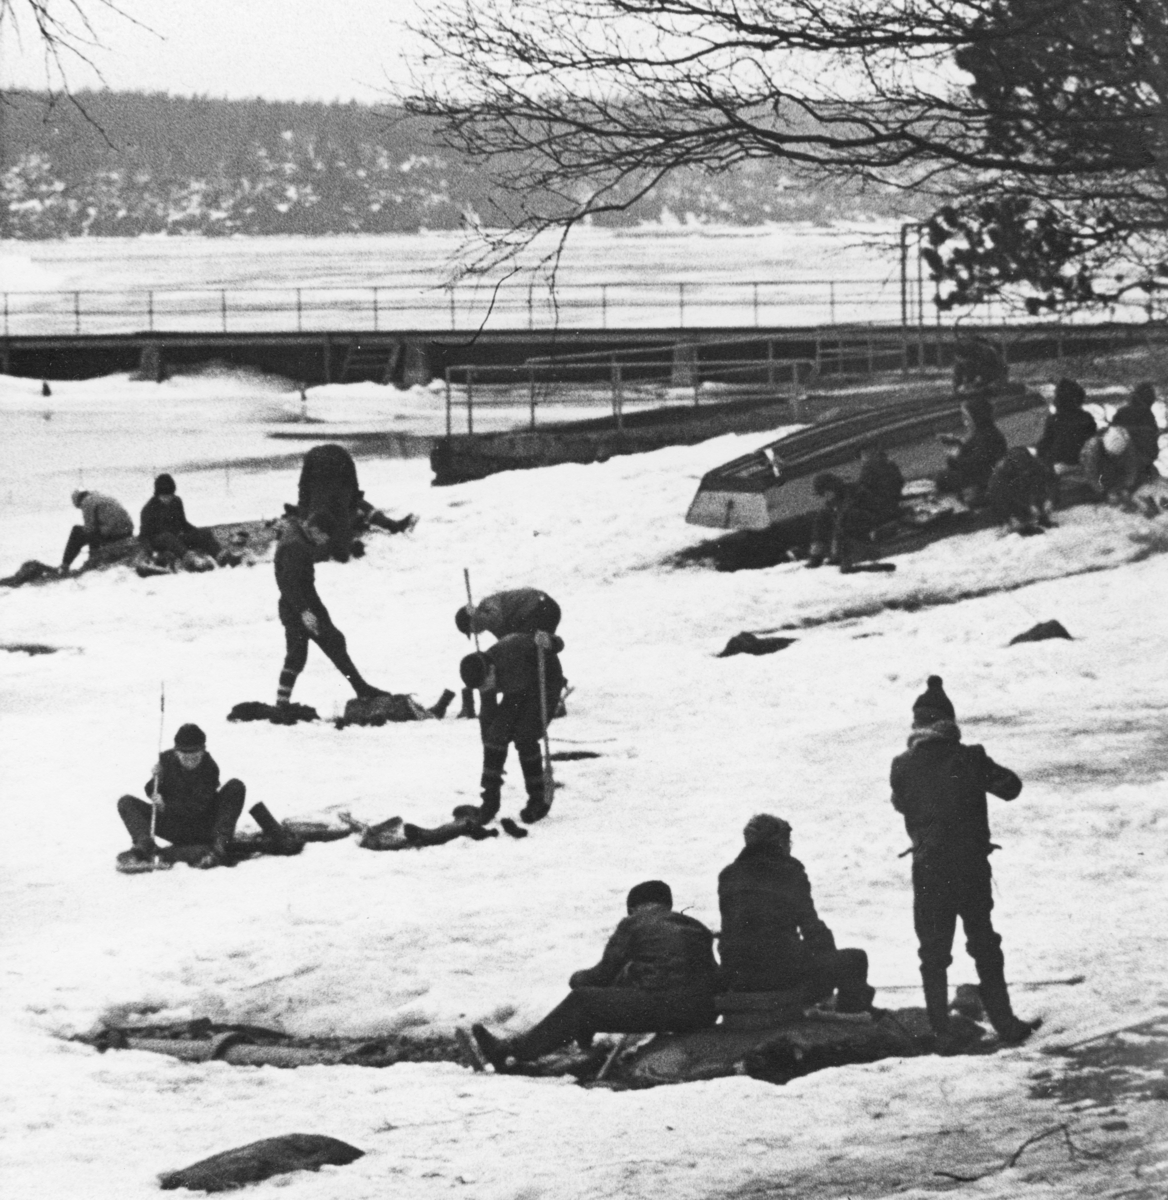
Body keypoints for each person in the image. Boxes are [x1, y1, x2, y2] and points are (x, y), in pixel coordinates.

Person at [889, 675, 1039, 1051]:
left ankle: (940, 1031)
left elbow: (902, 804)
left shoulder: (901, 765)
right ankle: (1005, 1023)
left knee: (933, 952)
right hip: (969, 866)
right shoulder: (969, 758)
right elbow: (1011, 788)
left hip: (928, 868)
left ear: (916, 725)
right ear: (949, 723)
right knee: (984, 944)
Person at [471, 880, 718, 1070]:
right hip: (701, 1012)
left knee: (582, 1000)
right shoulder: (697, 927)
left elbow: (602, 976)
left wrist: (578, 980)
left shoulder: (634, 923)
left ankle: (511, 1053)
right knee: (601, 999)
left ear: (633, 907)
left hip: (665, 1007)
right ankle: (582, 1049)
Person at [718, 815, 876, 1012]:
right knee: (856, 958)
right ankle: (850, 1019)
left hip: (737, 974)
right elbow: (812, 929)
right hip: (780, 972)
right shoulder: (790, 872)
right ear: (780, 843)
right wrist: (829, 959)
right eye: (788, 842)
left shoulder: (728, 875)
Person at [275, 510, 387, 707]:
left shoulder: (298, 536)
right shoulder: (295, 546)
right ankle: (282, 705)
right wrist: (305, 612)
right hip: (298, 607)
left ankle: (361, 688)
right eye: (325, 536)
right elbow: (290, 584)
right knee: (304, 652)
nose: (325, 541)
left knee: (325, 644)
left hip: (299, 604)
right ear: (315, 530)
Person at [458, 631, 564, 824]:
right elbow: (488, 724)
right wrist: (491, 750)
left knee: (525, 736)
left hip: (545, 682)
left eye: (485, 684)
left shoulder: (515, 647)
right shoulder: (483, 675)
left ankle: (538, 798)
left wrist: (549, 642)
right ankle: (490, 802)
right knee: (496, 735)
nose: (485, 688)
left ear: (491, 669)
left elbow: (558, 643)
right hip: (516, 690)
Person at [116, 723, 245, 870]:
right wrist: (157, 778)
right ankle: (145, 846)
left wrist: (166, 807)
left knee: (235, 786)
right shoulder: (166, 760)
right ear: (176, 752)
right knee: (126, 802)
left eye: (195, 758)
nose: (190, 762)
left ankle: (220, 846)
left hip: (202, 827)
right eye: (185, 757)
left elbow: (197, 807)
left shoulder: (210, 768)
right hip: (174, 827)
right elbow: (151, 790)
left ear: (203, 751)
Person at [806, 457, 901, 570]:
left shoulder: (856, 494)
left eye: (824, 493)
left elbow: (876, 512)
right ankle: (828, 556)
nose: (824, 497)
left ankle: (854, 555)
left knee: (848, 518)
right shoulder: (830, 505)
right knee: (825, 519)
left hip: (873, 530)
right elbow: (819, 530)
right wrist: (816, 555)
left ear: (832, 489)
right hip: (852, 544)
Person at [1080, 381, 1163, 503]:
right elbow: (1153, 451)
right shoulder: (1148, 416)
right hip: (1135, 462)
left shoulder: (1122, 412)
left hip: (1119, 459)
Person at [934, 394, 1009, 504]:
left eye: (967, 418)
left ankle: (970, 494)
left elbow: (972, 464)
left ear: (976, 418)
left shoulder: (988, 436)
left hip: (984, 479)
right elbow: (972, 449)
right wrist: (956, 442)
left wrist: (954, 457)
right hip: (981, 474)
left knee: (942, 477)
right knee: (944, 475)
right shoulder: (985, 431)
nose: (965, 422)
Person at [138, 473, 223, 568]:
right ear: (158, 495)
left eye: (170, 495)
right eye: (164, 496)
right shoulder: (149, 509)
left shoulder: (176, 502)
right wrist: (151, 553)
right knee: (168, 537)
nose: (168, 499)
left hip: (176, 540)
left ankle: (221, 556)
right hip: (160, 543)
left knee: (204, 533)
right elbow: (143, 536)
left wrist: (197, 533)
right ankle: (192, 560)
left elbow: (183, 523)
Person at [60, 488, 134, 572]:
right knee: (94, 530)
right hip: (127, 531)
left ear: (77, 501)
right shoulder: (99, 497)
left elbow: (90, 528)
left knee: (77, 531)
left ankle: (65, 565)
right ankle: (94, 558)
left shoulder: (87, 502)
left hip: (115, 533)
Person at [985, 447, 1055, 533]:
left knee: (1036, 484)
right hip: (1008, 498)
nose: (1023, 470)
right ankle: (1019, 522)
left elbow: (1049, 481)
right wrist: (1009, 518)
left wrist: (1049, 499)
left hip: (1025, 493)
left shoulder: (1034, 463)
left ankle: (1040, 516)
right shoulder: (1001, 473)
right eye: (1020, 467)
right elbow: (999, 497)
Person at [1034, 378, 1097, 473]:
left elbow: (1044, 445)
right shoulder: (1087, 417)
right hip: (1083, 464)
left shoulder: (1054, 419)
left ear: (1058, 400)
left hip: (1060, 465)